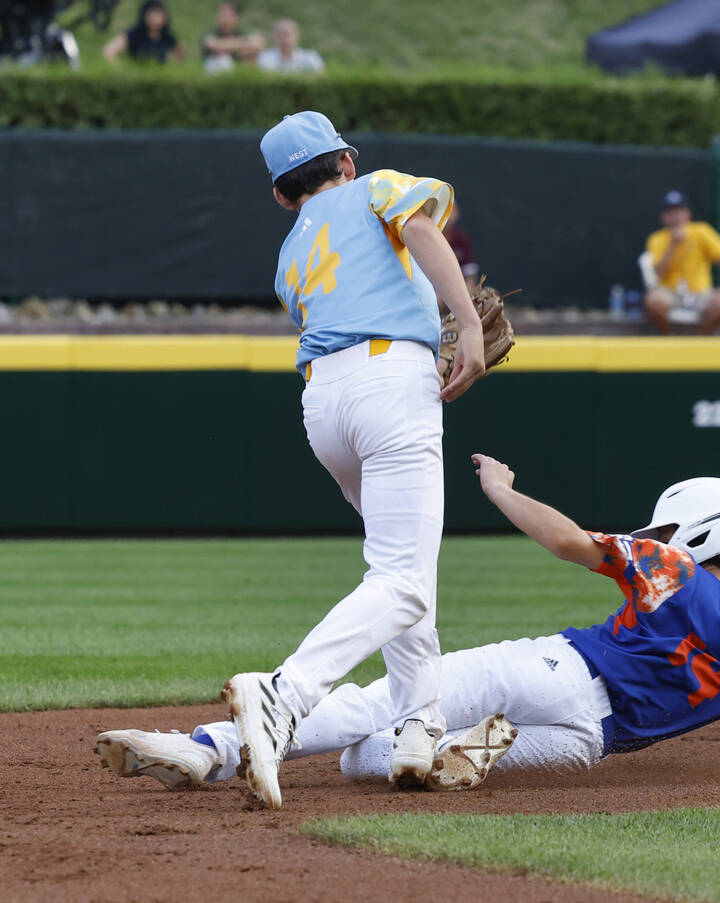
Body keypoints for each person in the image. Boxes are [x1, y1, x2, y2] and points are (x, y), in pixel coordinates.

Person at [95, 463, 720, 794]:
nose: (655, 541)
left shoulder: (672, 571)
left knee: (382, 701)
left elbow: (573, 540)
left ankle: (208, 745)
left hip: (556, 671)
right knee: (368, 761)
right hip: (591, 740)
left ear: (697, 533)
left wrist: (502, 488)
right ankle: (441, 752)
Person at [218, 111, 488, 810]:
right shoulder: (375, 187)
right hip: (389, 381)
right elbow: (423, 228)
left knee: (403, 568)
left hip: (324, 403)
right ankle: (284, 694)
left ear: (281, 194)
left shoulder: (287, 255)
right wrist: (467, 323)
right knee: (401, 579)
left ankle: (416, 727)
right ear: (347, 160)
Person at [643, 190, 720, 335]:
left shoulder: (701, 231)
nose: (676, 216)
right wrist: (673, 245)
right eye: (670, 212)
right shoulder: (656, 239)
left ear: (687, 214)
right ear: (663, 217)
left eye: (679, 211)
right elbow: (658, 274)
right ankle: (669, 339)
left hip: (701, 294)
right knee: (654, 301)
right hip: (671, 294)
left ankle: (702, 339)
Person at [102, 0, 184, 64]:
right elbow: (109, 50)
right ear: (145, 15)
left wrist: (172, 61)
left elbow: (180, 54)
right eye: (153, 15)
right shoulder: (135, 33)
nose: (156, 20)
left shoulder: (167, 35)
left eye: (160, 16)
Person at [201, 1, 263, 73]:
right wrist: (244, 43)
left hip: (240, 70)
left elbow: (258, 45)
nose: (222, 18)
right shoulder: (211, 33)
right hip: (214, 72)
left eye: (226, 15)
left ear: (236, 17)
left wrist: (227, 45)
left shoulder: (242, 33)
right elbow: (214, 45)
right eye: (220, 14)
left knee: (251, 57)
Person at [256, 18, 324, 73]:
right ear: (274, 37)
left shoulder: (311, 57)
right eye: (280, 35)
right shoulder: (265, 57)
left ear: (297, 36)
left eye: (287, 35)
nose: (284, 39)